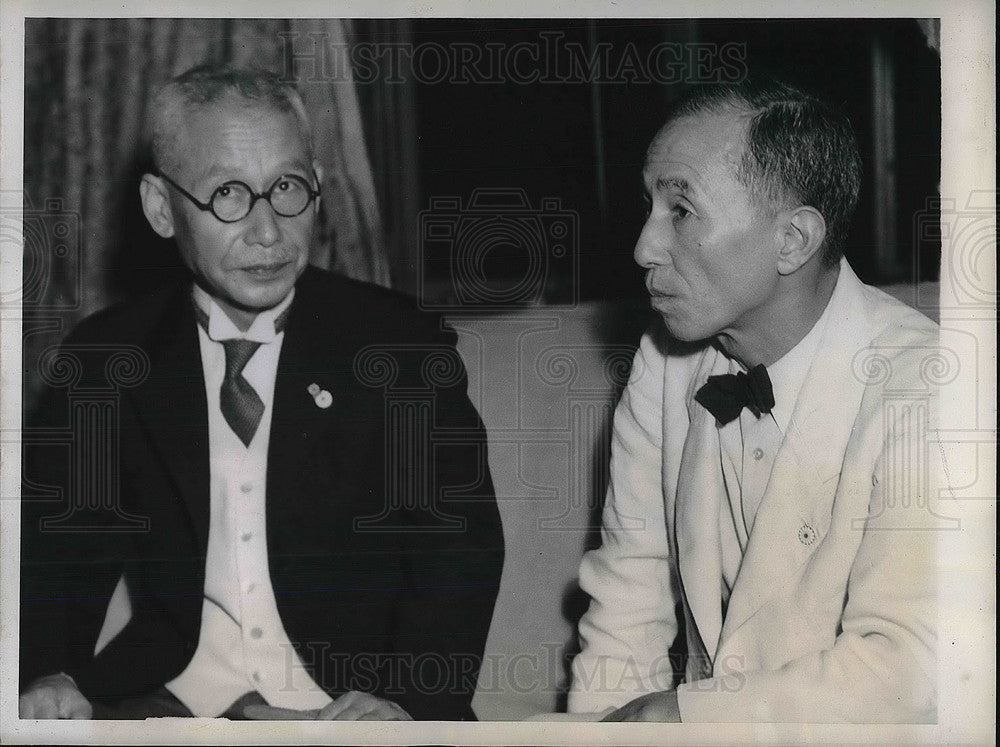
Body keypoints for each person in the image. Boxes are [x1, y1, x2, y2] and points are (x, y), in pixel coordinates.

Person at [19, 64, 504, 721]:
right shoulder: (107, 359)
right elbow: (51, 553)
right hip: (169, 701)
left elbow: (459, 548)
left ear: (320, 188)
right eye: (227, 194)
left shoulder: (397, 344)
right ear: (162, 208)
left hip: (347, 708)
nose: (269, 230)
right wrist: (46, 671)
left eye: (287, 187)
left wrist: (409, 703)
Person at [567, 76, 939, 722]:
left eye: (680, 212)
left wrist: (689, 717)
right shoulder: (662, 360)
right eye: (649, 208)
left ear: (793, 240)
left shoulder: (930, 387)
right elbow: (627, 606)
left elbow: (907, 668)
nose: (644, 248)